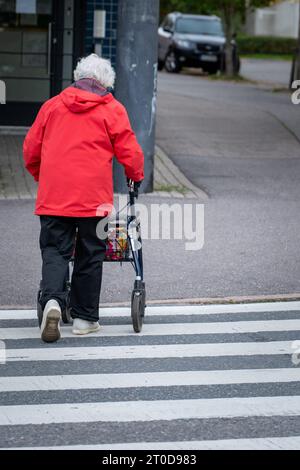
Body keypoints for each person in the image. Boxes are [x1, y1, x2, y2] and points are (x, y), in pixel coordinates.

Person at [23, 54, 144, 343]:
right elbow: (130, 150)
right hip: (93, 200)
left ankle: (52, 301)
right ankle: (84, 318)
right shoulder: (112, 109)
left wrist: (44, 177)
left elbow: (30, 150)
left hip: (55, 196)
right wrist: (135, 176)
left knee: (55, 250)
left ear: (78, 78)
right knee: (90, 253)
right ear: (106, 83)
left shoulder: (52, 106)